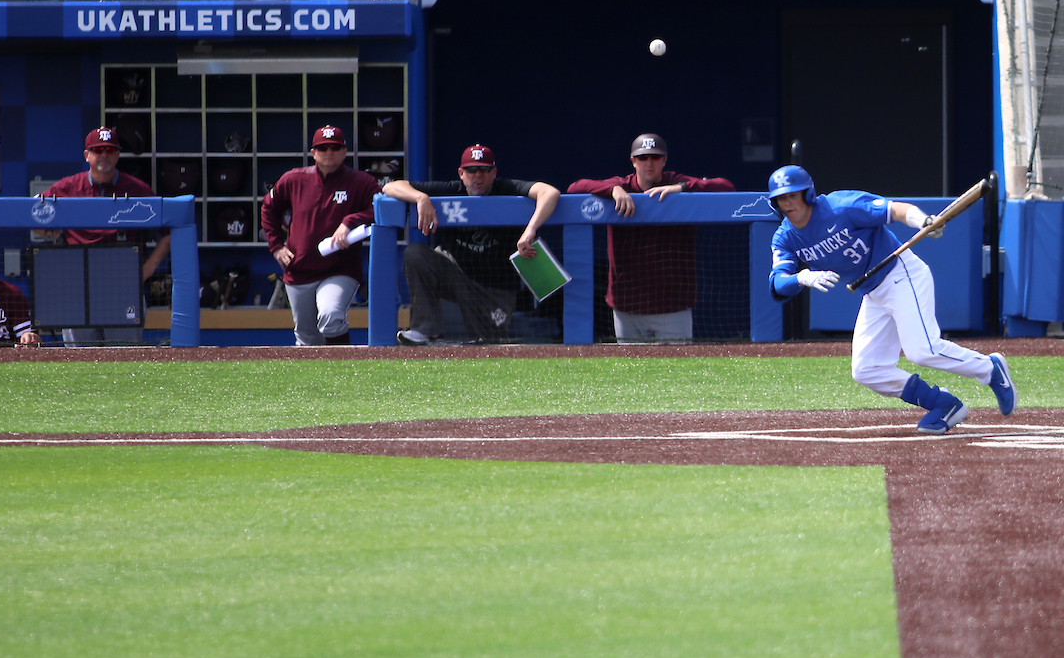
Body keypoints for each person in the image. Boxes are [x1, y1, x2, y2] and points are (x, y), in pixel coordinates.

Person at [766, 165, 1016, 435]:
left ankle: (989, 370)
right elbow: (778, 283)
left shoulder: (841, 206)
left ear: (808, 194)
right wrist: (802, 278)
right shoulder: (785, 237)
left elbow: (895, 209)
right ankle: (943, 405)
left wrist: (922, 221)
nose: (788, 203)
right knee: (866, 369)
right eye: (781, 198)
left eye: (793, 195)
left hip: (900, 274)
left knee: (922, 350)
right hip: (872, 292)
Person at [382, 144, 560, 345]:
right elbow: (390, 186)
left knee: (488, 347)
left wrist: (530, 230)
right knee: (415, 253)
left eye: (484, 170)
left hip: (494, 289)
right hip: (456, 276)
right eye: (471, 170)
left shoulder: (506, 188)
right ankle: (426, 331)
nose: (478, 175)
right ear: (461, 173)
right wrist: (420, 197)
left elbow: (550, 192)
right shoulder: (450, 190)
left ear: (494, 173)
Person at [567, 133, 734, 342]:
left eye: (655, 158)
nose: (649, 163)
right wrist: (612, 189)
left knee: (677, 372)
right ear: (633, 161)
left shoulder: (676, 182)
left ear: (664, 161)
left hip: (673, 305)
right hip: (627, 304)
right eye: (643, 158)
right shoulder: (622, 185)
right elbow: (575, 187)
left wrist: (681, 188)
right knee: (632, 372)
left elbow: (725, 187)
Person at [42, 127, 171, 345]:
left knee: (124, 357)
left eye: (110, 150)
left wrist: (147, 269)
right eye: (98, 150)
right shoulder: (69, 186)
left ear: (118, 155)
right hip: (77, 285)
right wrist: (59, 232)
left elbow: (167, 233)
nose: (104, 155)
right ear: (87, 155)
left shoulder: (137, 189)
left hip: (122, 285)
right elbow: (34, 216)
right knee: (79, 360)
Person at [260, 125, 380, 345]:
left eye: (335, 147)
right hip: (299, 269)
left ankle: (345, 375)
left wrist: (350, 221)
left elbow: (381, 210)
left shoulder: (361, 182)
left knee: (330, 316)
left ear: (344, 152)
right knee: (307, 338)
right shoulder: (293, 179)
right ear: (313, 153)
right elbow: (269, 207)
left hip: (340, 268)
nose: (329, 152)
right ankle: (314, 380)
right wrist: (276, 246)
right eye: (323, 148)